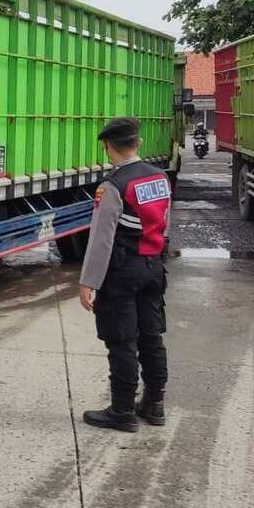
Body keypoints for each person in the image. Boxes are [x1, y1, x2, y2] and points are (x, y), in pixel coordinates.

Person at [79, 117, 172, 432]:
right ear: (139, 143)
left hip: (122, 273)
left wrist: (88, 283)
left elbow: (101, 240)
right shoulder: (160, 178)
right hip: (153, 268)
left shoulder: (112, 186)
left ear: (108, 147)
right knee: (151, 338)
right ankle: (154, 405)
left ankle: (121, 412)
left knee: (121, 341)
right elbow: (165, 223)